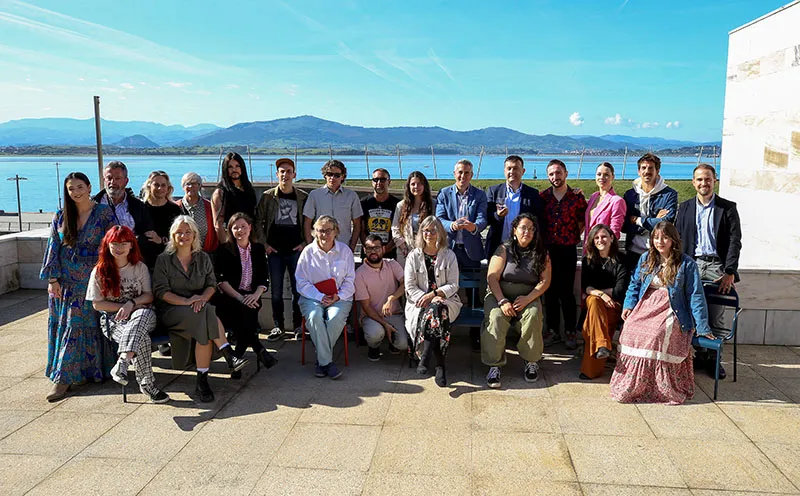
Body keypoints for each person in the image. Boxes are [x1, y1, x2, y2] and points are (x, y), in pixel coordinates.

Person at [610, 221, 715, 404]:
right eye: (656, 238)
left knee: (656, 335)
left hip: (673, 307)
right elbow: (635, 284)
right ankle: (634, 384)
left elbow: (696, 295)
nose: (660, 242)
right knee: (630, 330)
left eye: (665, 237)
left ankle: (659, 387)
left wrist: (702, 327)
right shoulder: (646, 258)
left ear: (673, 240)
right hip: (646, 304)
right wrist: (628, 305)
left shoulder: (686, 264)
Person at [152, 216, 248, 403]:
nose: (184, 236)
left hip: (200, 309)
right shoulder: (164, 260)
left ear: (195, 235)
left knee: (203, 321)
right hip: (172, 310)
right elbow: (160, 291)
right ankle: (227, 356)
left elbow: (211, 284)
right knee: (207, 312)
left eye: (188, 232)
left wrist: (202, 298)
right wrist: (187, 301)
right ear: (172, 235)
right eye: (179, 232)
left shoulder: (203, 258)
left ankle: (203, 381)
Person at [41, 172, 118, 402]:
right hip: (65, 283)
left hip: (93, 280)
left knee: (86, 325)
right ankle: (64, 377)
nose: (76, 192)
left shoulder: (104, 213)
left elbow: (114, 243)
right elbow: (53, 246)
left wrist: (110, 276)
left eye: (80, 187)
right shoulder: (61, 215)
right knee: (70, 327)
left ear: (89, 187)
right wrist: (52, 279)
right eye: (71, 188)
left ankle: (81, 374)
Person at [86, 226, 170, 403]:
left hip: (143, 314)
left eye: (124, 243)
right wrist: (121, 308)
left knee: (141, 315)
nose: (119, 247)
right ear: (107, 245)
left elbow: (149, 296)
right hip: (114, 320)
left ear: (131, 245)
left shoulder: (139, 267)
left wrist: (130, 304)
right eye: (115, 243)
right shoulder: (99, 271)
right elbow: (97, 304)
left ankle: (123, 361)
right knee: (141, 338)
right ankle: (147, 385)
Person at [676, 163, 742, 379]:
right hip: (691, 265)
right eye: (699, 179)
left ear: (715, 181)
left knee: (715, 315)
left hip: (717, 267)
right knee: (691, 312)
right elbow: (677, 239)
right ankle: (697, 356)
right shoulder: (684, 208)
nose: (703, 183)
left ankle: (714, 359)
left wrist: (729, 271)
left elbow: (735, 242)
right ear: (693, 182)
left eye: (707, 179)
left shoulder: (727, 208)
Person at [482, 213, 551, 389]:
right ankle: (494, 365)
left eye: (531, 229)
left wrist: (529, 298)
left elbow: (545, 281)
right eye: (523, 228)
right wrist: (502, 301)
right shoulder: (504, 249)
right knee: (496, 318)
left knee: (533, 315)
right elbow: (492, 277)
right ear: (514, 230)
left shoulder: (541, 253)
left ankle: (531, 361)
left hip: (528, 296)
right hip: (499, 294)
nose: (527, 232)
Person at [214, 213, 278, 373]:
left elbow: (264, 278)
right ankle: (259, 349)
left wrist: (255, 295)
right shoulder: (224, 250)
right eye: (235, 228)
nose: (240, 230)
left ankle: (236, 359)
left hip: (253, 296)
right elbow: (221, 281)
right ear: (230, 230)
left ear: (250, 228)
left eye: (243, 226)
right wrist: (241, 298)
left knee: (246, 318)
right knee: (245, 318)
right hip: (232, 297)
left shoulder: (258, 249)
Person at [404, 216, 462, 387]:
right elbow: (409, 285)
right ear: (421, 233)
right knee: (437, 313)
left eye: (433, 230)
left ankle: (426, 355)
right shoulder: (413, 256)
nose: (429, 234)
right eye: (426, 230)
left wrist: (435, 294)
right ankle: (440, 365)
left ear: (440, 233)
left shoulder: (449, 255)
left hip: (447, 300)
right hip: (419, 302)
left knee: (438, 308)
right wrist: (427, 298)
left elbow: (454, 284)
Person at [296, 215, 355, 380]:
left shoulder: (345, 251)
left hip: (340, 298)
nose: (324, 234)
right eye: (320, 230)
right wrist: (319, 296)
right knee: (314, 316)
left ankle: (321, 361)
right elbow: (301, 281)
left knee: (335, 318)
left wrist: (338, 296)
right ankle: (327, 362)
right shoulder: (308, 252)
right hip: (311, 297)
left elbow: (350, 280)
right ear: (314, 232)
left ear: (336, 231)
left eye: (328, 230)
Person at [255, 157, 306, 342]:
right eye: (282, 171)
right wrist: (265, 245)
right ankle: (279, 326)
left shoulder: (302, 197)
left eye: (289, 171)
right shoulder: (268, 197)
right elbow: (257, 222)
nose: (285, 175)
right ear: (277, 174)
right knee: (276, 292)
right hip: (274, 252)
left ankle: (299, 326)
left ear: (294, 174)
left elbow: (310, 222)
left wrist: (304, 243)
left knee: (297, 291)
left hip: (296, 251)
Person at [540, 159, 587, 350]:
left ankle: (570, 331)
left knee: (567, 292)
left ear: (566, 173)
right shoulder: (543, 197)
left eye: (558, 173)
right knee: (549, 291)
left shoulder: (576, 198)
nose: (555, 177)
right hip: (548, 250)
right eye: (551, 174)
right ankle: (552, 331)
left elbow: (583, 221)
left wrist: (572, 235)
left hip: (568, 249)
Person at [579, 224, 629, 380]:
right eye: (596, 238)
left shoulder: (622, 260)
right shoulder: (588, 260)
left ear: (612, 238)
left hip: (614, 307)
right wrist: (602, 295)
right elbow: (585, 287)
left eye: (604, 237)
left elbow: (620, 290)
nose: (600, 240)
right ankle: (602, 344)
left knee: (591, 323)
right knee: (594, 301)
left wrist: (598, 293)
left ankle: (591, 369)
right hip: (595, 306)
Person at [622, 153, 678, 273]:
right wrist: (654, 221)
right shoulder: (630, 195)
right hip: (633, 253)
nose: (647, 171)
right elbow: (624, 225)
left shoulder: (669, 195)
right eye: (643, 168)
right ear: (638, 171)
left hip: (658, 253)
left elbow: (667, 223)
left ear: (657, 171)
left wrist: (637, 220)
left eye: (651, 168)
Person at [354, 235, 407, 361]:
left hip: (394, 313)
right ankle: (374, 346)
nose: (373, 251)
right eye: (369, 248)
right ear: (364, 250)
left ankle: (393, 341)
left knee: (403, 344)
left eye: (377, 248)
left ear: (383, 249)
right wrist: (385, 324)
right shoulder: (359, 274)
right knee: (375, 335)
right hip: (371, 316)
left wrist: (391, 299)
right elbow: (366, 306)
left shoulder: (392, 264)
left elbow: (405, 284)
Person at [485, 155, 544, 260]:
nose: (512, 171)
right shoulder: (494, 191)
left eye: (516, 168)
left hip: (524, 248)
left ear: (523, 171)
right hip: (497, 247)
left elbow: (538, 221)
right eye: (509, 168)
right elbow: (486, 218)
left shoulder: (532, 194)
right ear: (504, 171)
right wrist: (498, 215)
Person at [435, 159, 488, 269]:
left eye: (467, 173)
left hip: (472, 251)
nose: (463, 176)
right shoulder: (444, 194)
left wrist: (473, 227)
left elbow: (482, 219)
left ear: (471, 175)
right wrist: (452, 225)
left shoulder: (480, 195)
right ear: (454, 174)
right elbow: (439, 218)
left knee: (473, 279)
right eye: (460, 172)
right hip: (448, 248)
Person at [303, 160, 362, 252]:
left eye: (337, 175)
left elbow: (357, 225)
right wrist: (311, 246)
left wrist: (351, 248)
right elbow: (307, 222)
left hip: (343, 248)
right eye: (329, 174)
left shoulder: (352, 196)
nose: (332, 178)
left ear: (343, 177)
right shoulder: (314, 195)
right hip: (320, 248)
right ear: (325, 175)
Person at [93, 160, 155, 249]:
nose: (112, 182)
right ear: (104, 180)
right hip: (100, 254)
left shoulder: (138, 206)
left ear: (126, 181)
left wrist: (130, 242)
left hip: (130, 254)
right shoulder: (93, 205)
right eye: (109, 178)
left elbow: (147, 234)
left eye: (117, 178)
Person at [212, 152, 257, 244]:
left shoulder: (248, 188)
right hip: (231, 242)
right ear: (225, 169)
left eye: (237, 166)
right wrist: (227, 247)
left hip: (249, 241)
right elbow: (218, 224)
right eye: (230, 167)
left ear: (242, 168)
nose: (234, 169)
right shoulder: (220, 192)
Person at [391, 171, 435, 265]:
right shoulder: (401, 206)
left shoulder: (433, 205)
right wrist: (402, 245)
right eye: (413, 184)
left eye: (419, 184)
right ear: (408, 186)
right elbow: (395, 228)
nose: (416, 187)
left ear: (424, 185)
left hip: (427, 250)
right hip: (405, 251)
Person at [140, 171, 182, 269]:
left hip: (168, 262)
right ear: (149, 186)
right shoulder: (140, 208)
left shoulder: (175, 210)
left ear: (168, 188)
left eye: (163, 185)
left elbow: (180, 238)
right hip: (142, 263)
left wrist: (160, 240)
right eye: (156, 185)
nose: (160, 188)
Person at [361, 168, 400, 260]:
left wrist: (385, 249)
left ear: (389, 182)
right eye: (375, 180)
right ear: (372, 182)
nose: (379, 183)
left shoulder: (398, 205)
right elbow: (361, 230)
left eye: (382, 180)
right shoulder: (363, 203)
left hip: (391, 255)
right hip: (369, 255)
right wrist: (370, 248)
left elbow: (400, 230)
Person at [584, 162, 626, 243]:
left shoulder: (617, 201)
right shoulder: (593, 197)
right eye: (599, 174)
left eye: (606, 174)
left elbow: (615, 232)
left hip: (603, 247)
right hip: (588, 247)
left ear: (613, 177)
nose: (602, 177)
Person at [177, 172, 219, 253]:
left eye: (194, 183)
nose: (190, 186)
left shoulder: (209, 207)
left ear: (200, 186)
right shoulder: (176, 207)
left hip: (205, 253)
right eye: (187, 184)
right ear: (183, 187)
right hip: (181, 254)